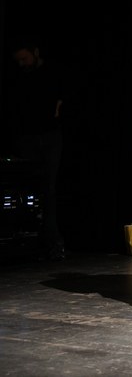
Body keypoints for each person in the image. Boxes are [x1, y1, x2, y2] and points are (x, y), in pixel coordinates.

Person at [3, 37, 66, 260]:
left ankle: (51, 243)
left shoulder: (52, 72)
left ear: (35, 52)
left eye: (25, 58)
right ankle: (21, 241)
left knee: (48, 189)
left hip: (49, 137)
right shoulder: (18, 77)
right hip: (26, 137)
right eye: (18, 60)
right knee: (23, 189)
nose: (22, 63)